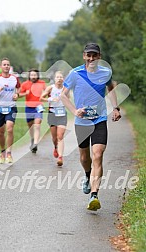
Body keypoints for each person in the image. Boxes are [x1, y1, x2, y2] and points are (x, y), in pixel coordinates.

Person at [61, 43, 121, 211]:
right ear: (84, 56)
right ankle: (87, 175)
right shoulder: (75, 74)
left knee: (98, 154)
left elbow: (111, 89)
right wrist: (74, 111)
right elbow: (63, 96)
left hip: (99, 119)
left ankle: (94, 195)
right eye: (89, 55)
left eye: (95, 55)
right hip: (82, 122)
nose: (92, 58)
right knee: (84, 158)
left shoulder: (105, 73)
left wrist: (115, 108)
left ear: (99, 56)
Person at [40, 71, 68, 166]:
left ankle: (60, 157)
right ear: (54, 79)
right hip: (52, 113)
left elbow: (68, 99)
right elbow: (41, 98)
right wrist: (51, 99)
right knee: (54, 137)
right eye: (57, 77)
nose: (59, 79)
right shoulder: (50, 88)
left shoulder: (65, 89)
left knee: (60, 136)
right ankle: (56, 147)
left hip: (62, 114)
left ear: (63, 79)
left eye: (61, 77)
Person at [19, 69, 46, 153]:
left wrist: (45, 94)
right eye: (32, 75)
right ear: (29, 76)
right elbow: (18, 95)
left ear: (37, 75)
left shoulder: (42, 83)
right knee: (30, 126)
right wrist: (25, 93)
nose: (33, 77)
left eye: (35, 75)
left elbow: (47, 92)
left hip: (38, 107)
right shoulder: (25, 84)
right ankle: (32, 139)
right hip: (29, 107)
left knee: (37, 125)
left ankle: (35, 144)